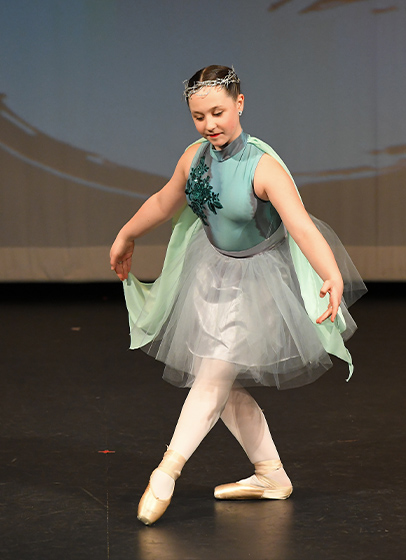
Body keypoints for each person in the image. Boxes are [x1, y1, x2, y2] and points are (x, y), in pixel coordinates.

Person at [110, 65, 365, 526]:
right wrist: (126, 234)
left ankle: (166, 471)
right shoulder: (194, 158)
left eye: (218, 112)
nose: (210, 124)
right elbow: (165, 201)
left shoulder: (263, 167)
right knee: (219, 381)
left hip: (258, 284)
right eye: (199, 116)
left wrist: (331, 273)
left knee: (213, 376)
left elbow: (301, 226)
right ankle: (271, 474)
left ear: (240, 104)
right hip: (211, 273)